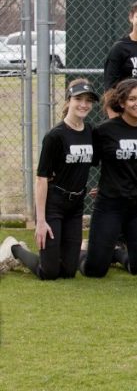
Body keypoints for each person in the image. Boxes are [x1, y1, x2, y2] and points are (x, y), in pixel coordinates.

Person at [0, 80, 98, 279]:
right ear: (68, 100)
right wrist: (41, 221)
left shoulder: (90, 131)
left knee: (69, 272)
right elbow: (41, 178)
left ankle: (78, 250)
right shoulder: (55, 136)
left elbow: (97, 161)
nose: (83, 104)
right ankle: (14, 248)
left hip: (76, 204)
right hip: (54, 204)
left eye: (88, 100)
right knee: (49, 273)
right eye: (78, 99)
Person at [80, 79, 137, 277]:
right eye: (132, 99)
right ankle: (78, 253)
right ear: (122, 103)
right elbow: (90, 162)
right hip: (110, 204)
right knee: (95, 271)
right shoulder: (105, 130)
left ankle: (116, 253)